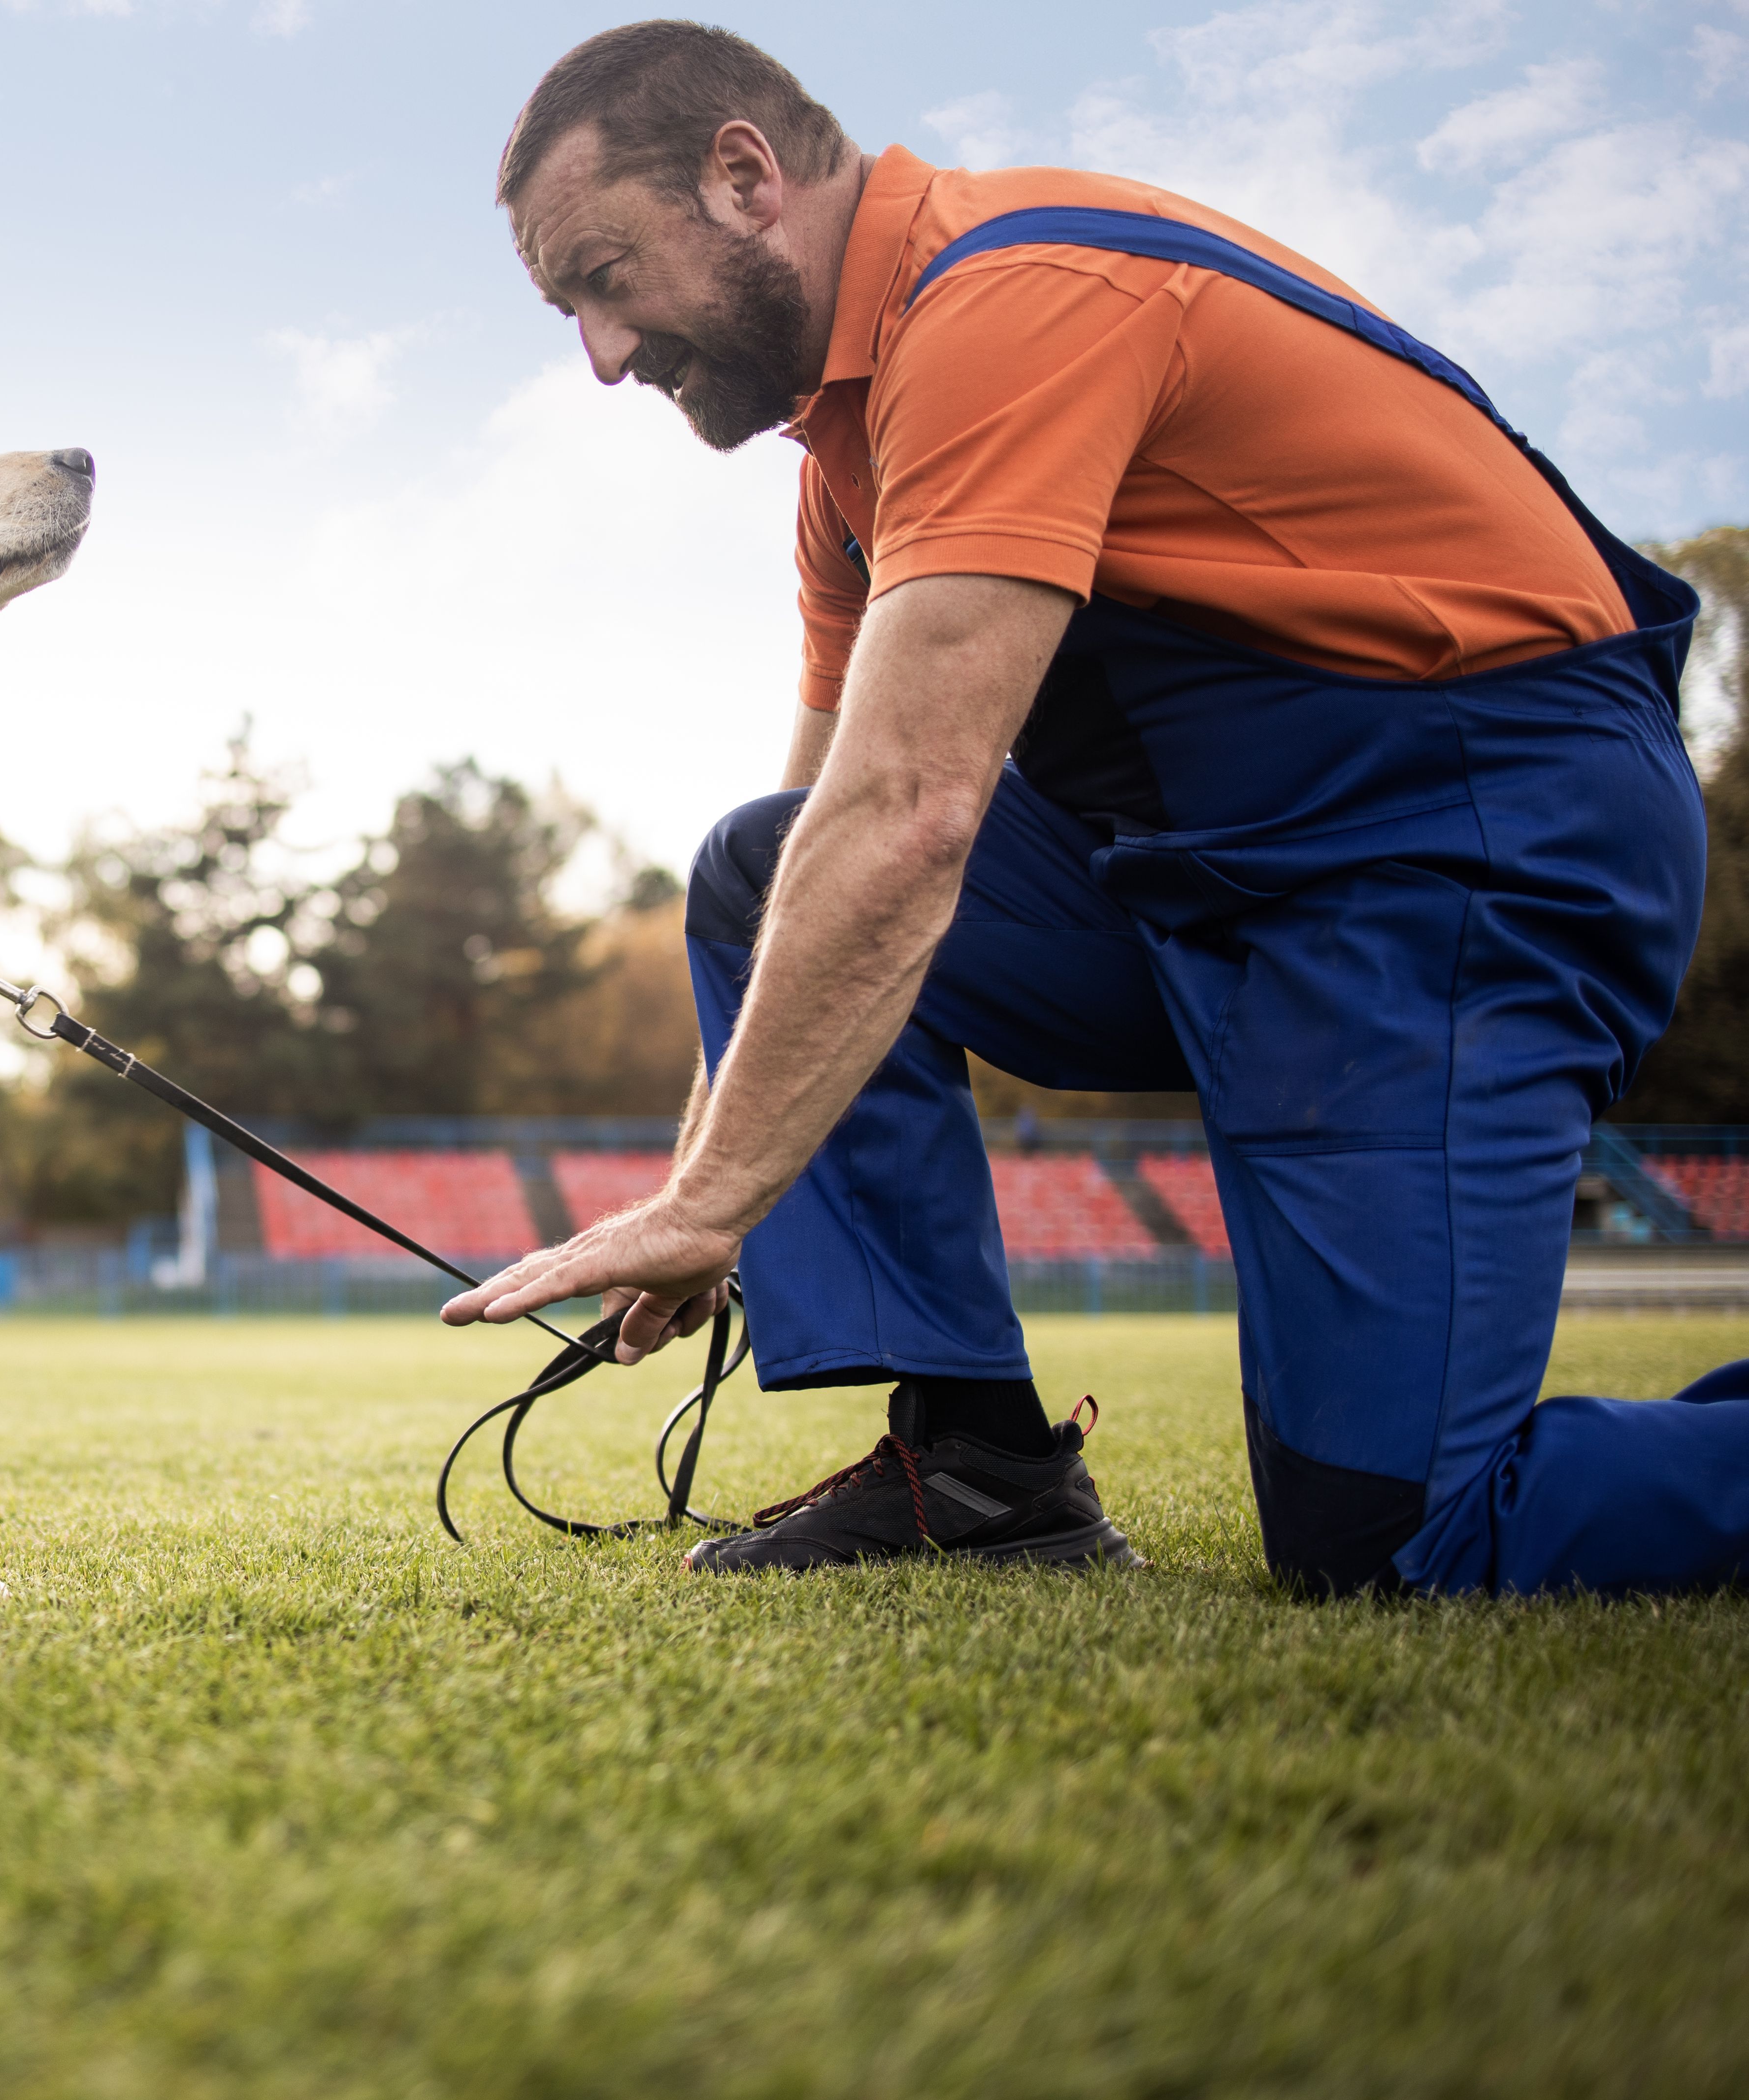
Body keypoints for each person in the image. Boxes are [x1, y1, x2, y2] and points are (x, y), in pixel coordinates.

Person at [442, 21, 1749, 1596]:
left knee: (1406, 1543)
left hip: (1468, 849)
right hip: (1225, 880)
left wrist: (720, 1194)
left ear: (742, 178)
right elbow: (821, 839)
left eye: (602, 275)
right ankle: (980, 1467)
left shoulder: (1012, 295)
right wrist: (703, 1190)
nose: (598, 352)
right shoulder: (844, 466)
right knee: (760, 864)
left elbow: (917, 816)